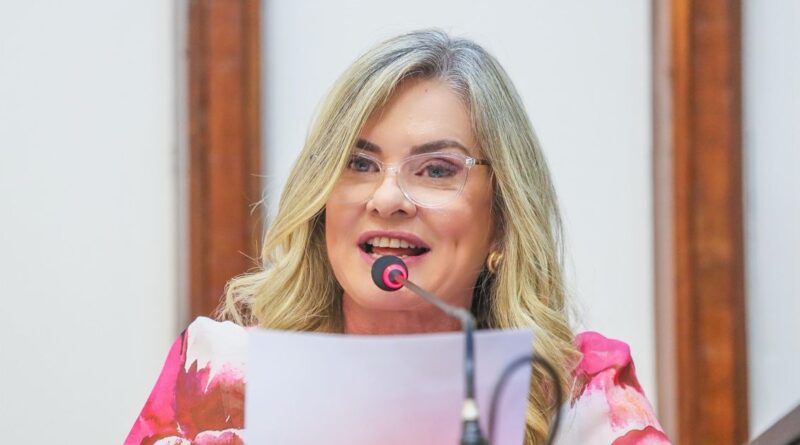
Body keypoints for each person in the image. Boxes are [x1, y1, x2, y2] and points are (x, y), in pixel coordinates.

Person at [125, 29, 670, 445]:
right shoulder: (221, 383)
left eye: (436, 170)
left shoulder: (579, 397)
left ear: (502, 222)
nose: (387, 198)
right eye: (359, 163)